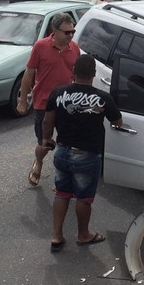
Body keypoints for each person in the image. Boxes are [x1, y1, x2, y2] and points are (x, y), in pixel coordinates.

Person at [42, 54, 123, 252]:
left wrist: (47, 139)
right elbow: (117, 121)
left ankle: (56, 236)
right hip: (87, 155)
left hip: (61, 151)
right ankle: (83, 234)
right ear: (94, 74)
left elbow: (47, 121)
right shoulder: (103, 98)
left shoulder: (58, 93)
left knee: (61, 194)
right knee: (83, 199)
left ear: (73, 71)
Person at [17, 12, 80, 187]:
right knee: (44, 143)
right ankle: (39, 162)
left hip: (66, 105)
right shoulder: (40, 46)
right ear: (55, 30)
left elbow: (77, 76)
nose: (71, 35)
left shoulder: (74, 48)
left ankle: (63, 177)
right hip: (43, 104)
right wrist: (23, 100)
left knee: (67, 143)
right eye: (67, 32)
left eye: (72, 31)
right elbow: (29, 74)